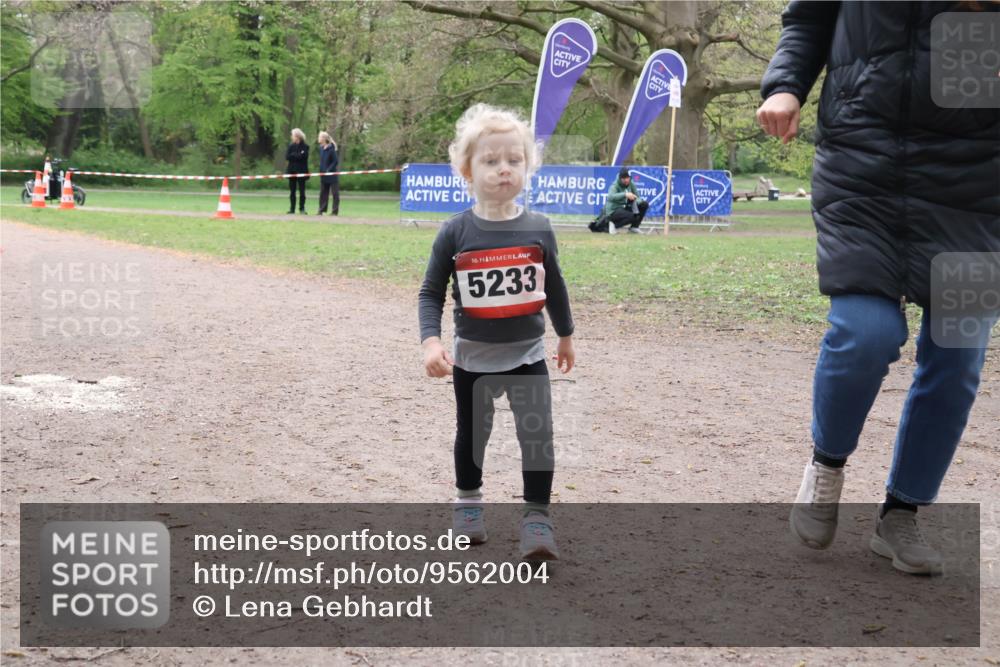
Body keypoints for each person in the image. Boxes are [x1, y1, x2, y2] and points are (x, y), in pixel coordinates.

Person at [757, 1, 999, 574]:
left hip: (976, 184)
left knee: (959, 356)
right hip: (863, 164)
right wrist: (787, 85)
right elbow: (810, 19)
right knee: (862, 333)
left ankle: (903, 513)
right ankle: (827, 466)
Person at [418, 103, 576, 561]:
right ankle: (468, 505)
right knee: (473, 433)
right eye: (490, 161)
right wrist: (431, 341)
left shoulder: (539, 227)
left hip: (528, 354)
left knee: (537, 435)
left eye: (514, 160)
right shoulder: (455, 232)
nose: (504, 169)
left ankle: (536, 519)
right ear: (467, 170)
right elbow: (430, 293)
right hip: (472, 359)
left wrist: (565, 334)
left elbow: (555, 286)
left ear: (528, 167)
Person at [602, 168, 648, 234]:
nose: (627, 180)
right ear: (621, 179)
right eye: (624, 179)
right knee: (632, 216)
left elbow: (638, 197)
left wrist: (636, 200)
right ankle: (612, 224)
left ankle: (634, 227)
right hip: (613, 210)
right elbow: (610, 197)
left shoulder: (631, 183)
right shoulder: (614, 185)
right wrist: (625, 194)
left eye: (628, 178)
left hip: (624, 208)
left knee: (644, 204)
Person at [285, 128, 309, 214]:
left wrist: (294, 155)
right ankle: (292, 209)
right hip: (292, 171)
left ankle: (302, 208)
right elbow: (287, 157)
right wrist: (297, 155)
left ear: (297, 136)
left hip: (301, 171)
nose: (291, 137)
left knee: (302, 191)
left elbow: (303, 157)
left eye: (293, 135)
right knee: (292, 191)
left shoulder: (305, 146)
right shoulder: (291, 146)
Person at [317, 131, 340, 216]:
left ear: (324, 138)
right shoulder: (321, 148)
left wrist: (329, 170)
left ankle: (334, 211)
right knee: (323, 193)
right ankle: (321, 210)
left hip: (332, 174)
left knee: (335, 193)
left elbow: (335, 161)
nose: (318, 138)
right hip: (323, 175)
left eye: (319, 137)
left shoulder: (331, 148)